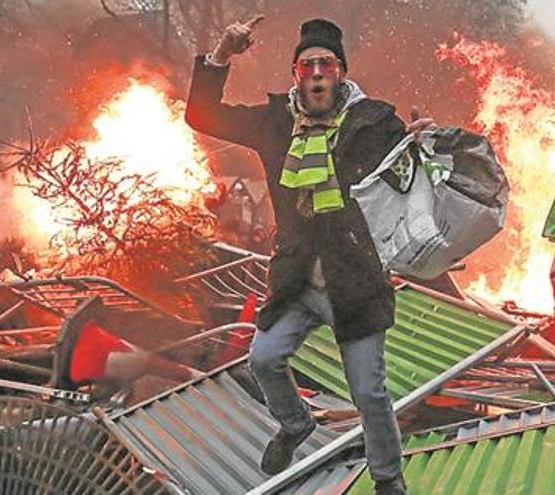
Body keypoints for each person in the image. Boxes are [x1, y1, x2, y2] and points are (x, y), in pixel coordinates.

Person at [185, 16, 434, 495]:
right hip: (296, 280)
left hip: (355, 280)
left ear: (340, 72)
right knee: (263, 360)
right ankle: (295, 423)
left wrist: (426, 140)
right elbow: (202, 116)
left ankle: (388, 482)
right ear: (295, 74)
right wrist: (220, 55)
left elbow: (415, 170)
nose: (317, 73)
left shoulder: (375, 122)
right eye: (307, 65)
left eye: (326, 64)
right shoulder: (274, 123)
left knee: (369, 394)